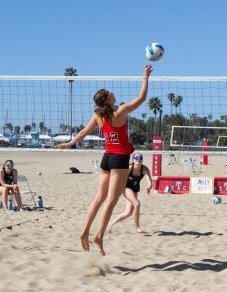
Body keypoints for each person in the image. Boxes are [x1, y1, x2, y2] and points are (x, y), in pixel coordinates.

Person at [56, 64, 153, 256]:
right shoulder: (121, 111)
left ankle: (85, 231)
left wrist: (71, 143)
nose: (114, 94)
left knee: (98, 198)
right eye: (111, 93)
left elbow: (84, 132)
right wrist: (145, 77)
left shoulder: (98, 115)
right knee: (111, 200)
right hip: (119, 159)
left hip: (106, 159)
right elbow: (142, 98)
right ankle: (98, 236)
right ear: (108, 99)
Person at [108, 153, 153, 233]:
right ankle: (138, 227)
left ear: (142, 160)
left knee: (128, 213)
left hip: (135, 189)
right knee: (137, 203)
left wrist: (149, 186)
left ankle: (111, 224)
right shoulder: (129, 168)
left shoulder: (145, 169)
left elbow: (149, 180)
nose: (138, 160)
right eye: (136, 158)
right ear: (133, 160)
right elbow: (119, 178)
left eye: (140, 158)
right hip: (126, 188)